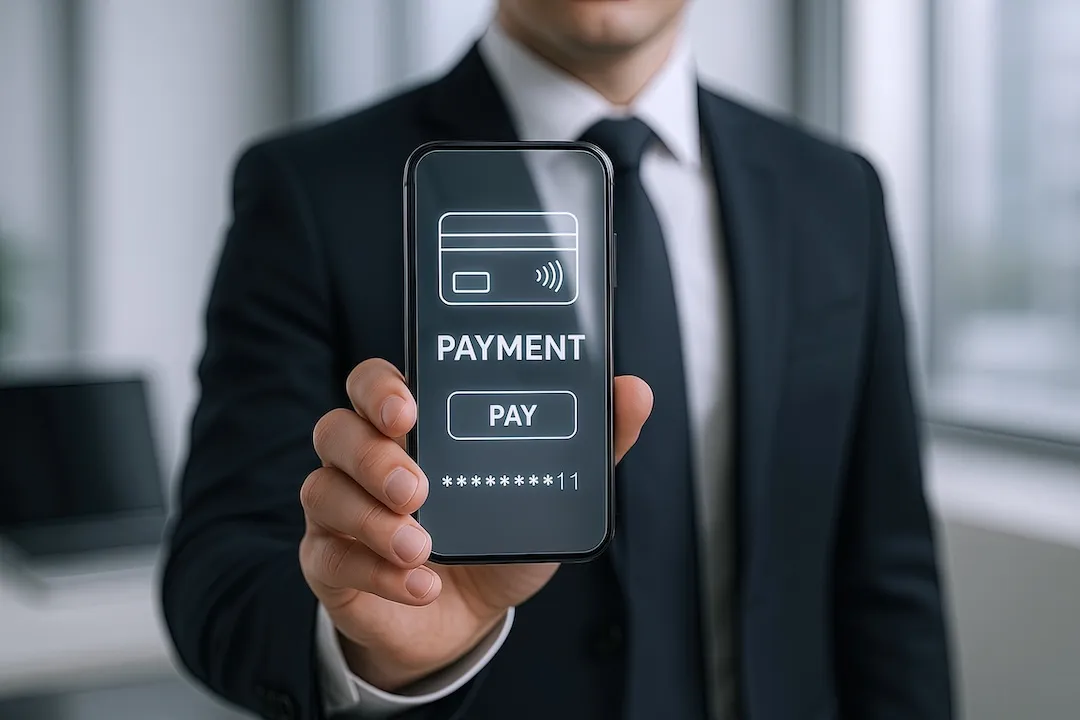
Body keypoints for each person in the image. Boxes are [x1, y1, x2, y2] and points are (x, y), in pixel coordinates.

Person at [161, 1, 955, 718]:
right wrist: (376, 651)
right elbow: (218, 576)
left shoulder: (834, 191)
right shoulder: (315, 190)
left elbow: (887, 575)